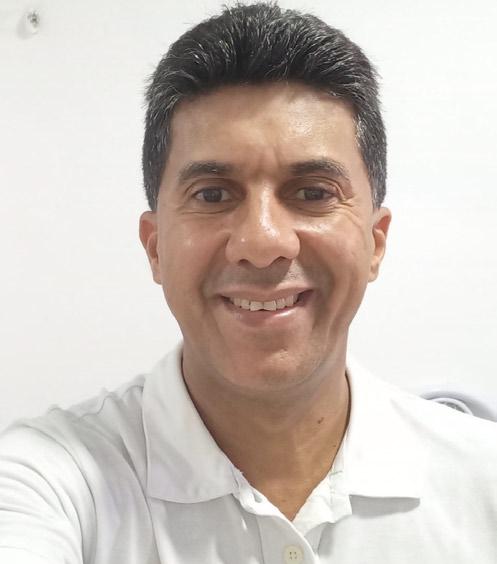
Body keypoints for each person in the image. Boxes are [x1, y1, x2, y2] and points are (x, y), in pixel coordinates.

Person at [1, 2, 496, 563]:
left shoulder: (483, 477)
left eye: (313, 193)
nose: (262, 242)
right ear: (155, 246)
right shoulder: (48, 482)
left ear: (375, 242)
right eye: (213, 194)